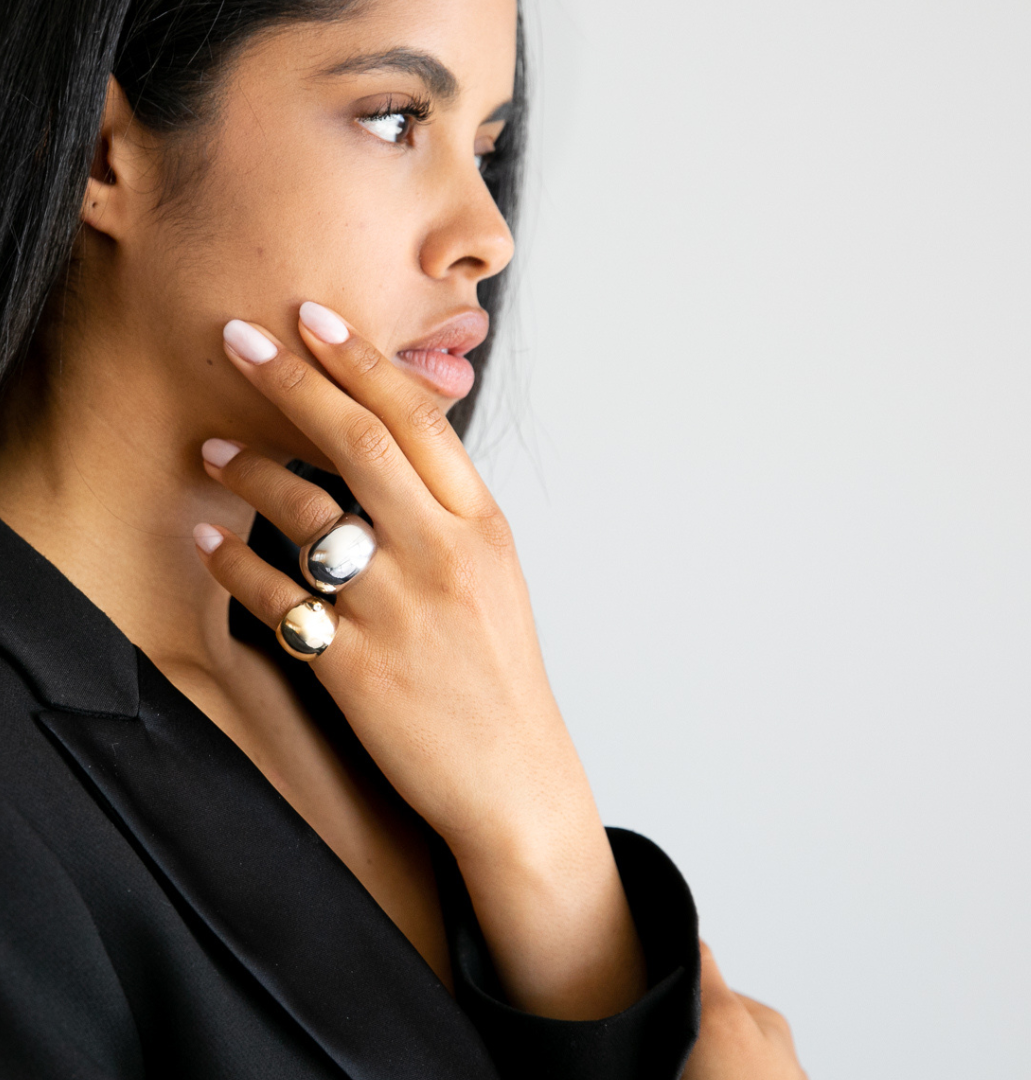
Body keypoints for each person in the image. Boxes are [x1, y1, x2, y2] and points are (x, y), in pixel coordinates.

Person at [0, 0, 806, 1076]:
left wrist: (539, 820)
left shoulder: (395, 658)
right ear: (101, 151)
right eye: (393, 118)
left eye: (487, 144)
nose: (488, 234)